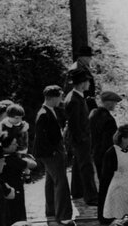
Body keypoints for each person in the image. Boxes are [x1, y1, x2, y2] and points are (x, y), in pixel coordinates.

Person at [33, 85, 74, 225]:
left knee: (51, 182)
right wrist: (53, 152)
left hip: (51, 153)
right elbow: (40, 138)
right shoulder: (43, 114)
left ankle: (51, 211)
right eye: (60, 97)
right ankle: (63, 216)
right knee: (61, 182)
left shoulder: (50, 111)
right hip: (51, 154)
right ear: (53, 97)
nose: (61, 100)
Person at [64, 68, 98, 206]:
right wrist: (82, 139)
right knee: (86, 167)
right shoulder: (74, 100)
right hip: (81, 139)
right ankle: (91, 197)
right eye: (87, 81)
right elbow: (74, 124)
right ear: (82, 83)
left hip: (80, 138)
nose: (89, 84)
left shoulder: (76, 96)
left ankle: (77, 191)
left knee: (78, 165)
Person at [91, 91, 122, 224]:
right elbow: (109, 143)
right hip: (106, 157)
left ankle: (102, 216)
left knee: (103, 187)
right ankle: (107, 216)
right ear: (108, 102)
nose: (115, 105)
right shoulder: (109, 120)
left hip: (96, 154)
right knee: (109, 188)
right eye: (114, 102)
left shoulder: (93, 114)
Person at [0, 131, 37, 226]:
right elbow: (33, 164)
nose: (17, 145)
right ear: (6, 146)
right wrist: (24, 158)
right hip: (15, 193)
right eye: (14, 144)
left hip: (4, 193)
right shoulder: (11, 159)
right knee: (18, 218)